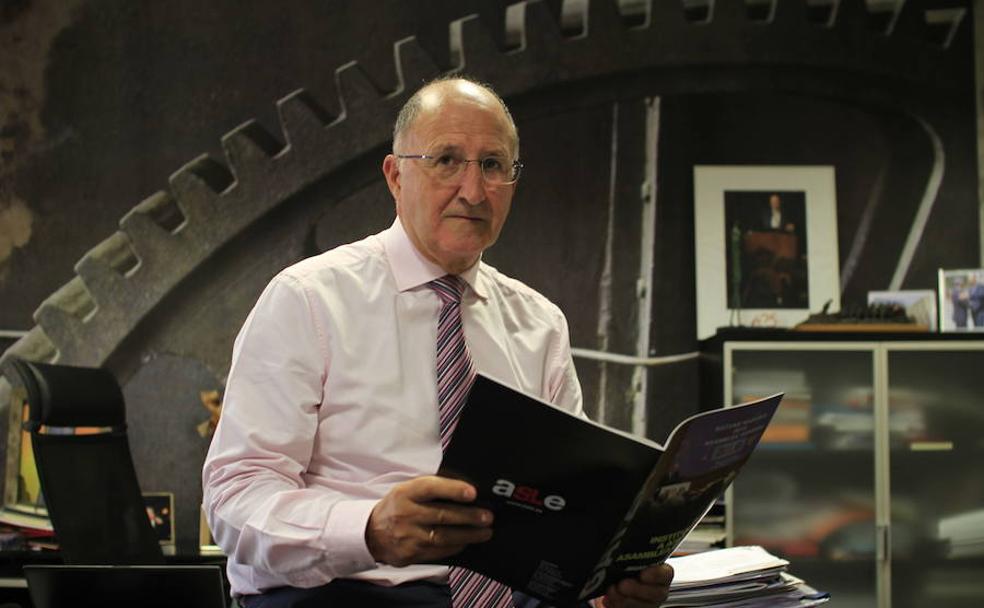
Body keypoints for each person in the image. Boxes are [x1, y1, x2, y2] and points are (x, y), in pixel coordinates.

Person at [202, 76, 673, 608]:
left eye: (493, 165)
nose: (473, 191)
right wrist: (368, 529)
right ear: (395, 175)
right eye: (446, 159)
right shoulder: (308, 299)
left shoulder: (540, 324)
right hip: (346, 593)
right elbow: (235, 498)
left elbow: (565, 509)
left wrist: (600, 588)